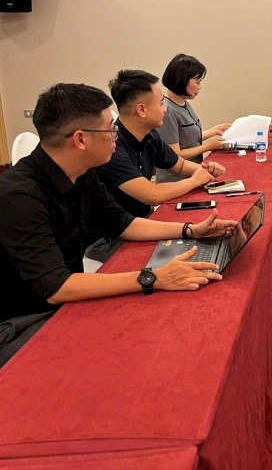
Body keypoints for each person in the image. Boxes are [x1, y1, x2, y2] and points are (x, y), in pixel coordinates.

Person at [0, 84, 237, 367]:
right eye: (110, 129)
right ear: (81, 139)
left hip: (63, 299)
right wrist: (153, 277)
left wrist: (190, 230)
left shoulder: (82, 171)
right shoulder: (19, 196)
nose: (116, 135)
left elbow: (123, 224)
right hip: (23, 321)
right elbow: (56, 287)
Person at [96, 69, 226, 218]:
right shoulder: (112, 148)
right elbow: (153, 195)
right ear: (142, 110)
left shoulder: (150, 135)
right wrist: (195, 180)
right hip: (124, 226)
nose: (165, 109)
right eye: (161, 103)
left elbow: (180, 166)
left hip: (145, 217)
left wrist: (206, 170)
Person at [156, 54, 231, 184]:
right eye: (197, 82)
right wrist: (207, 146)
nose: (200, 86)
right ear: (182, 80)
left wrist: (214, 130)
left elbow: (187, 138)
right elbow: (174, 155)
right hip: (175, 181)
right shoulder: (167, 110)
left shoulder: (183, 102)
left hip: (193, 175)